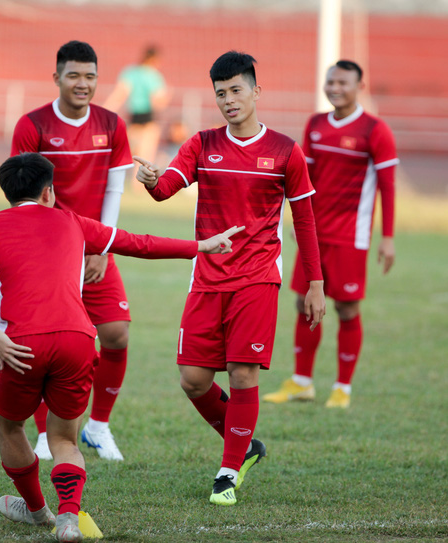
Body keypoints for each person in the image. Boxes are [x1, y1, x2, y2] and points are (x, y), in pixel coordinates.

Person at [0, 152, 244, 541]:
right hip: (77, 338)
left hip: (19, 342)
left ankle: (38, 511)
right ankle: (69, 520)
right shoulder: (73, 221)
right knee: (64, 439)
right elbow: (137, 243)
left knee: (10, 427)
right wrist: (202, 246)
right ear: (48, 192)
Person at [133, 51, 326, 506]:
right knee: (193, 380)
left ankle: (227, 469)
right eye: (220, 93)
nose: (228, 100)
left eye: (236, 90)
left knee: (242, 374)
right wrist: (150, 179)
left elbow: (306, 222)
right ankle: (245, 446)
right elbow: (166, 189)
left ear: (256, 91)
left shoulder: (284, 151)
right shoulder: (201, 144)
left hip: (258, 277)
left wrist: (315, 284)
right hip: (206, 276)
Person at [10, 41, 133, 461]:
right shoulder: (33, 125)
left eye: (90, 76)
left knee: (115, 333)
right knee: (50, 339)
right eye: (74, 75)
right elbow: (23, 195)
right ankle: (46, 433)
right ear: (57, 77)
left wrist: (102, 246)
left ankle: (98, 426)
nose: (83, 84)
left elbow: (116, 188)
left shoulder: (112, 125)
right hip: (50, 249)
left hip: (96, 245)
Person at [263, 60, 398, 409]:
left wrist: (388, 237)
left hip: (351, 236)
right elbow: (301, 179)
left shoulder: (375, 130)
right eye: (330, 81)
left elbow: (387, 185)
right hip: (315, 233)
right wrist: (294, 217)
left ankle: (342, 388)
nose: (335, 88)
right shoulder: (316, 124)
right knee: (302, 301)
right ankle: (301, 382)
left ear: (359, 86)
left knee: (347, 308)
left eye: (343, 82)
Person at [103, 45, 169, 184]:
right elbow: (159, 101)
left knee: (127, 151)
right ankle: (138, 186)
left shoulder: (130, 72)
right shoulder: (154, 75)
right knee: (145, 155)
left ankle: (108, 176)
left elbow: (120, 94)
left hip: (134, 117)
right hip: (149, 117)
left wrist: (106, 110)